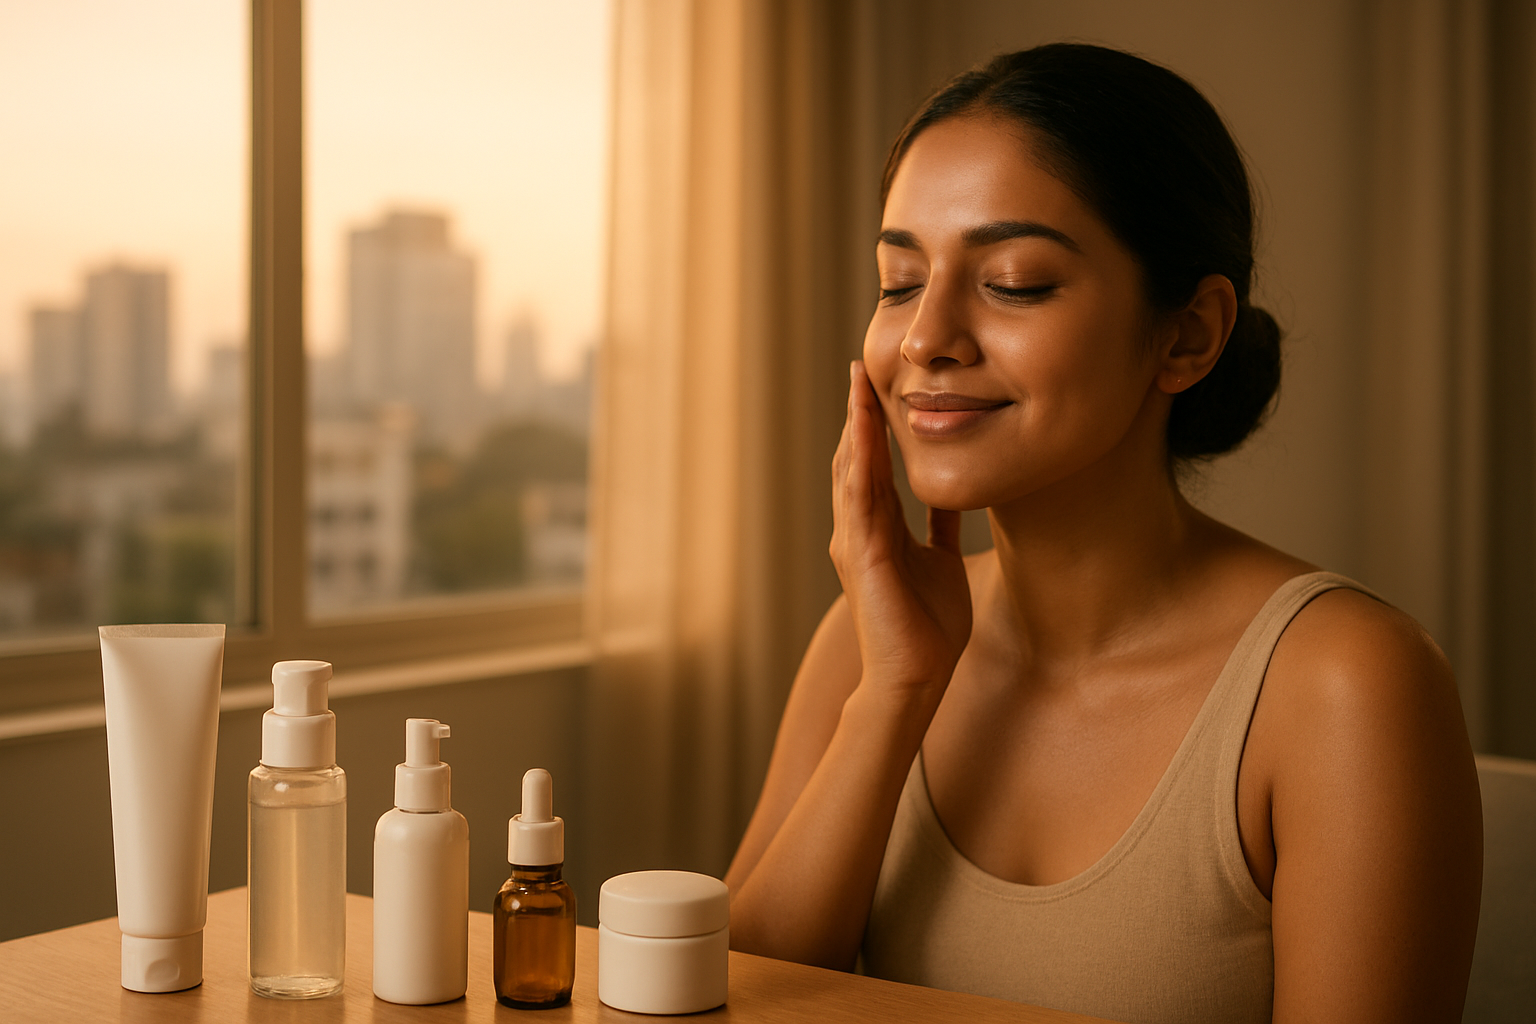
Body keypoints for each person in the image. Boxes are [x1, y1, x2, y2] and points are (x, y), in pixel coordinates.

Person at [723, 44, 1482, 1024]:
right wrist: (897, 692)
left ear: (1188, 336)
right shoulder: (869, 643)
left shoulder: (1346, 685)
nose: (923, 340)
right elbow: (730, 996)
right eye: (899, 282)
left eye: (1015, 282)